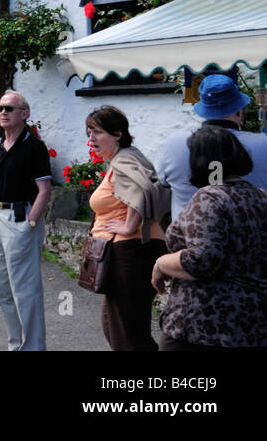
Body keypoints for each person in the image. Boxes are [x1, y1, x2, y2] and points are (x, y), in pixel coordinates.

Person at [152, 125, 267, 349]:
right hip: (253, 324)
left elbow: (201, 261)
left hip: (204, 323)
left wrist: (161, 263)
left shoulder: (210, 198)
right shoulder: (261, 197)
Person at [84, 105, 168, 351]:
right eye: (89, 132)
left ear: (118, 133)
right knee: (116, 327)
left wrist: (130, 224)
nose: (91, 138)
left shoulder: (125, 159)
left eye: (97, 132)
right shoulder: (127, 157)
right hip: (132, 252)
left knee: (128, 334)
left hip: (130, 253)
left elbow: (143, 187)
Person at [0, 90, 52, 351]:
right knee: (5, 290)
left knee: (26, 290)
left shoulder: (34, 147)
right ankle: (15, 345)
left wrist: (31, 224)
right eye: (0, 108)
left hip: (22, 218)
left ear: (25, 113)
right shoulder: (0, 146)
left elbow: (45, 192)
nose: (3, 113)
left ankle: (33, 348)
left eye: (9, 108)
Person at [156, 74, 267, 221]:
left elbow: (163, 183)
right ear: (240, 110)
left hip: (191, 236)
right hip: (248, 238)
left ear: (204, 110)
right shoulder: (263, 144)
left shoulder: (174, 143)